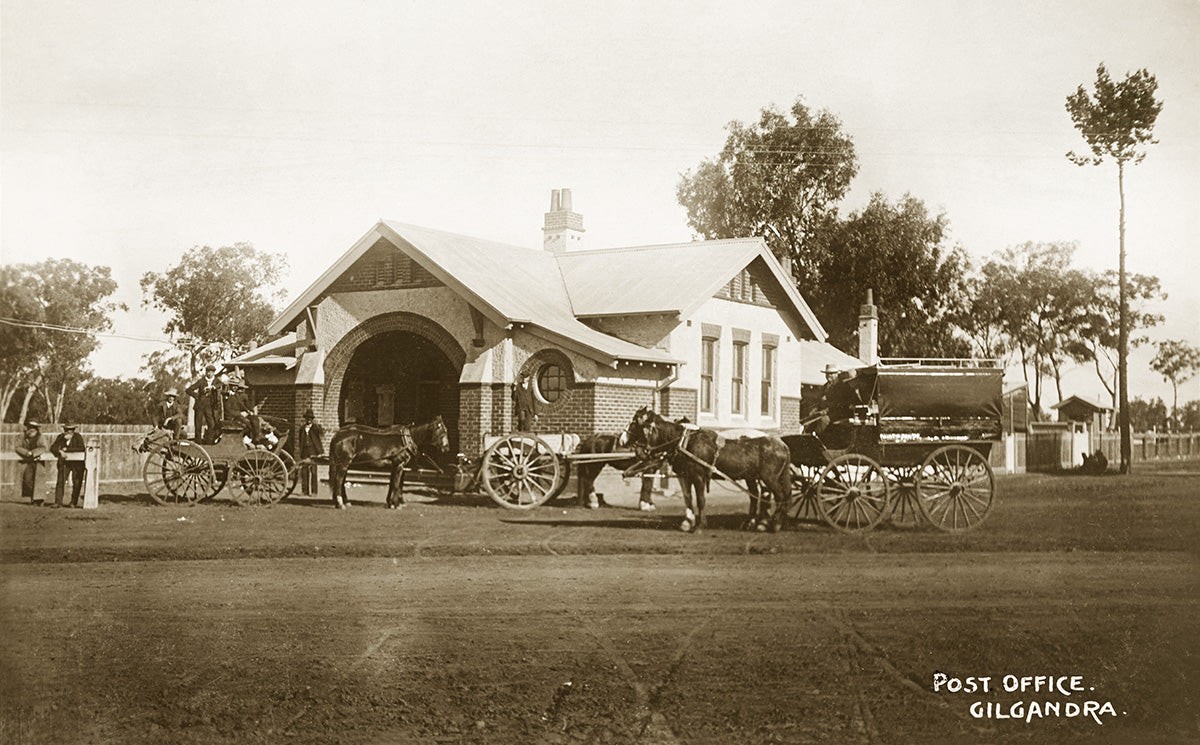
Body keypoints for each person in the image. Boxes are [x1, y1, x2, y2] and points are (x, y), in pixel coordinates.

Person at [50, 422, 86, 509]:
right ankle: (58, 502)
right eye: (66, 429)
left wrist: (67, 449)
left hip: (77, 464)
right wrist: (60, 451)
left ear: (73, 431)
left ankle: (73, 502)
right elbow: (53, 448)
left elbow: (82, 448)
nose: (68, 432)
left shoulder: (78, 437)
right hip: (65, 463)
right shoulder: (60, 437)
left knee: (77, 482)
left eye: (70, 430)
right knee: (60, 481)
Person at [185, 364, 222, 443]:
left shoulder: (216, 381)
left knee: (211, 424)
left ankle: (210, 441)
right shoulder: (201, 381)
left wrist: (213, 387)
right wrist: (197, 396)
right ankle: (198, 442)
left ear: (214, 373)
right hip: (200, 405)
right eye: (208, 372)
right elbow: (188, 390)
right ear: (206, 372)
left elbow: (221, 385)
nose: (209, 374)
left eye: (211, 372)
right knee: (198, 425)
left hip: (210, 406)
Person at [14, 420, 46, 506]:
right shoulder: (22, 436)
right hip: (26, 462)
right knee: (28, 480)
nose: (31, 429)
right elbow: (17, 447)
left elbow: (43, 447)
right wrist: (26, 453)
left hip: (38, 462)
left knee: (38, 481)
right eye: (29, 427)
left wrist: (33, 453)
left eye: (33, 427)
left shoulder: (40, 437)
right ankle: (33, 497)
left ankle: (38, 500)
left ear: (36, 429)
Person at [294, 409, 325, 496]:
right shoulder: (302, 429)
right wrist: (300, 450)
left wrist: (319, 452)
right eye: (307, 418)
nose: (309, 420)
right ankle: (305, 491)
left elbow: (320, 434)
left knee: (313, 471)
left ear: (312, 419)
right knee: (304, 471)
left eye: (310, 418)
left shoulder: (315, 428)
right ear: (305, 419)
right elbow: (300, 440)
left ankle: (314, 491)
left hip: (313, 451)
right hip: (304, 451)